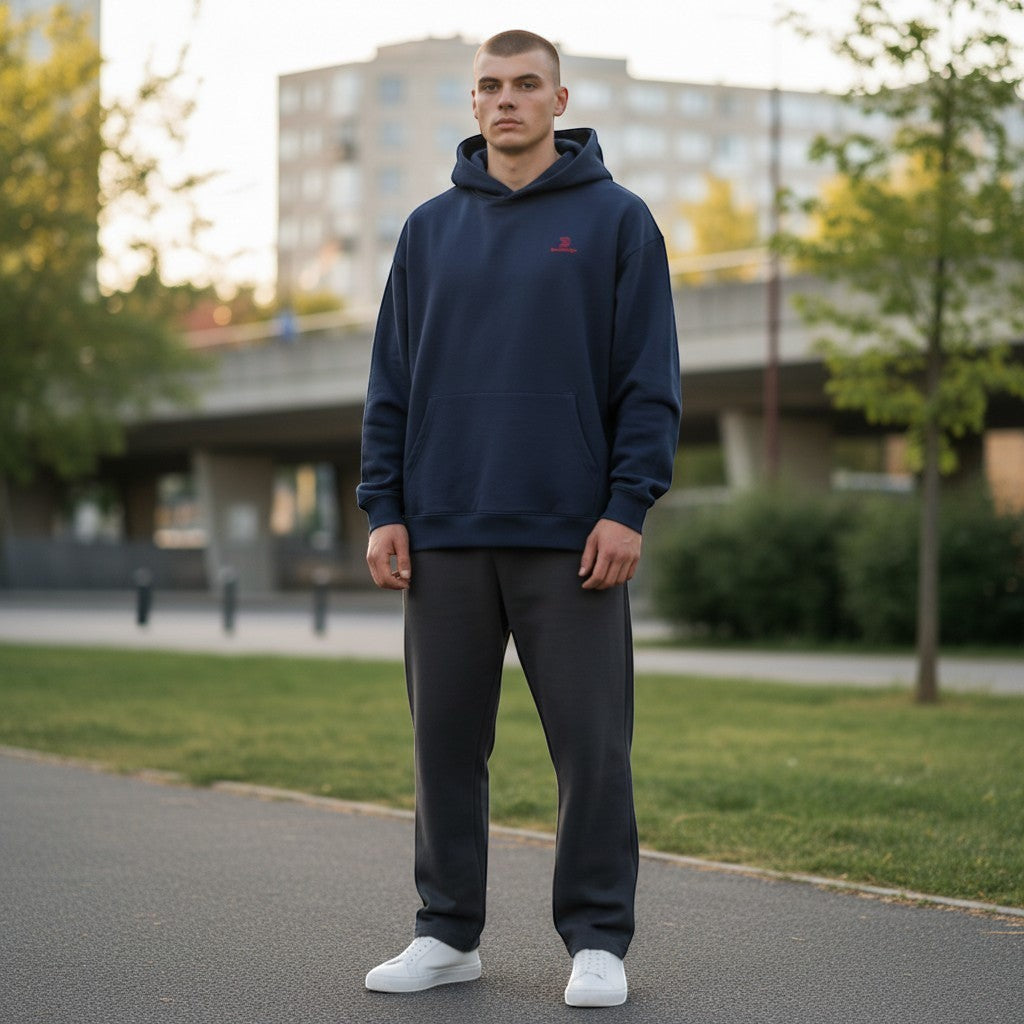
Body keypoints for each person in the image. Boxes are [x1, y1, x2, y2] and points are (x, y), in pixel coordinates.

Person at [357, 28, 681, 1008]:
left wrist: (627, 505)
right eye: (490, 85)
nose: (506, 99)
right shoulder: (427, 230)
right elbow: (391, 383)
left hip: (572, 538)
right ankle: (445, 933)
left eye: (526, 84)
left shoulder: (618, 221)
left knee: (592, 749)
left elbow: (648, 382)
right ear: (472, 102)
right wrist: (384, 506)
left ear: (558, 100)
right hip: (443, 531)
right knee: (444, 749)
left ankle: (598, 939)